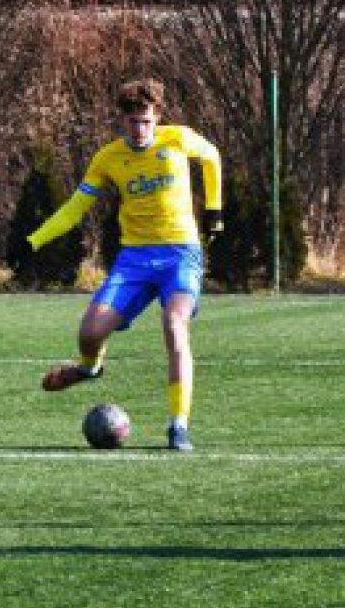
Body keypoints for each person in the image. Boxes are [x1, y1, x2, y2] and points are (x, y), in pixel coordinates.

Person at [27, 78, 222, 452]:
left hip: (180, 255)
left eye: (146, 121)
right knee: (89, 333)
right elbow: (75, 208)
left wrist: (214, 209)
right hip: (134, 259)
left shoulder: (177, 139)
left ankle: (178, 425)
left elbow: (211, 157)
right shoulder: (108, 158)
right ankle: (90, 367)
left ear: (157, 117)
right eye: (133, 121)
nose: (140, 129)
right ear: (121, 119)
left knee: (175, 325)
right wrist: (35, 239)